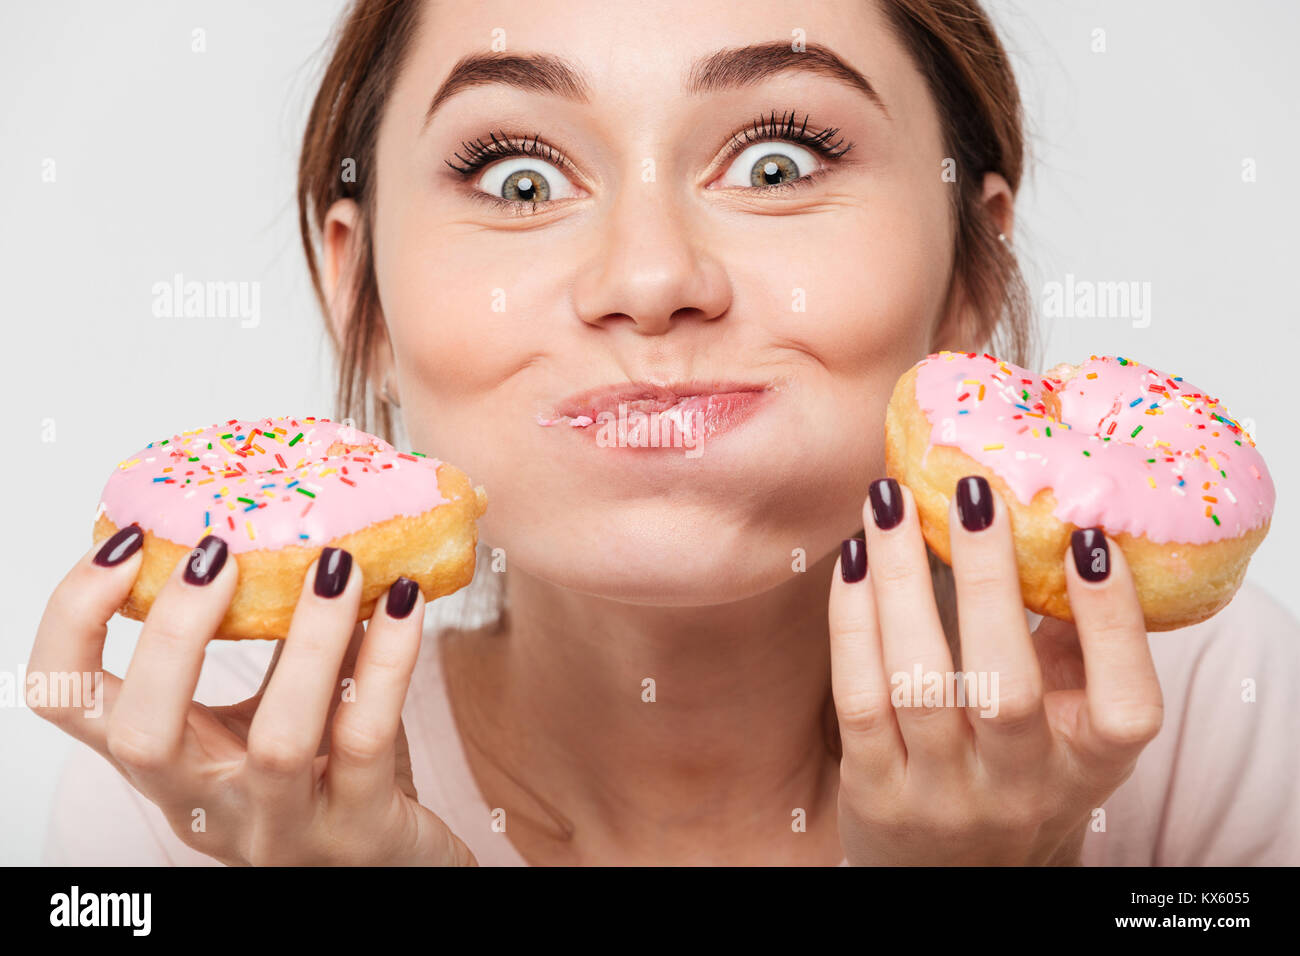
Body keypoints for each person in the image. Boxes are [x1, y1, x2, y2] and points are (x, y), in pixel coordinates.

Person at [32, 0, 1300, 866]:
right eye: (519, 176)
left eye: (780, 160)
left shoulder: (1178, 712)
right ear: (357, 292)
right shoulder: (190, 778)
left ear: (970, 269)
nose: (649, 276)